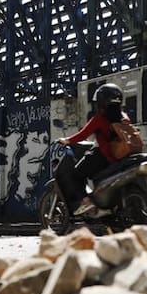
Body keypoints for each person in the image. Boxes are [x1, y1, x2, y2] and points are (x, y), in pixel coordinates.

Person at [57, 83, 132, 215]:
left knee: (75, 175)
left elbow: (83, 135)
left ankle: (86, 203)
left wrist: (66, 140)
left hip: (103, 156)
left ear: (101, 102)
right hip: (120, 158)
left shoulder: (99, 119)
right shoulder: (124, 117)